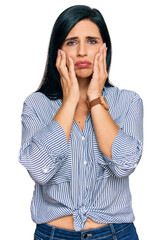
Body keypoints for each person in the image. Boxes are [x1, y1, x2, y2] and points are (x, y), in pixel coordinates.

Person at [19, 5, 143, 240]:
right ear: (59, 50)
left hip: (116, 234)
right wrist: (70, 101)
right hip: (53, 235)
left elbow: (124, 165)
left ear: (105, 48)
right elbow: (38, 170)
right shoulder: (36, 105)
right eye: (72, 42)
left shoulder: (128, 102)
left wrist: (95, 98)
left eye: (92, 41)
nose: (82, 52)